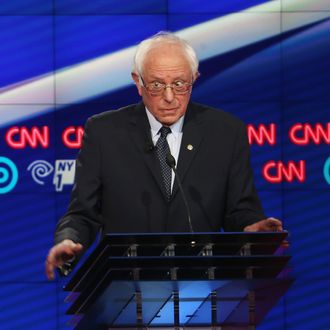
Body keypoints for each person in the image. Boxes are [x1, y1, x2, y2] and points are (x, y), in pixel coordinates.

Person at [45, 31, 283, 280]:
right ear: (138, 82)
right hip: (124, 288)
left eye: (180, 84)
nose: (169, 97)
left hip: (201, 288)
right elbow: (83, 213)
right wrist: (68, 241)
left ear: (194, 79)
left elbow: (239, 210)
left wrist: (253, 227)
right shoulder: (103, 132)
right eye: (157, 85)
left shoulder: (226, 132)